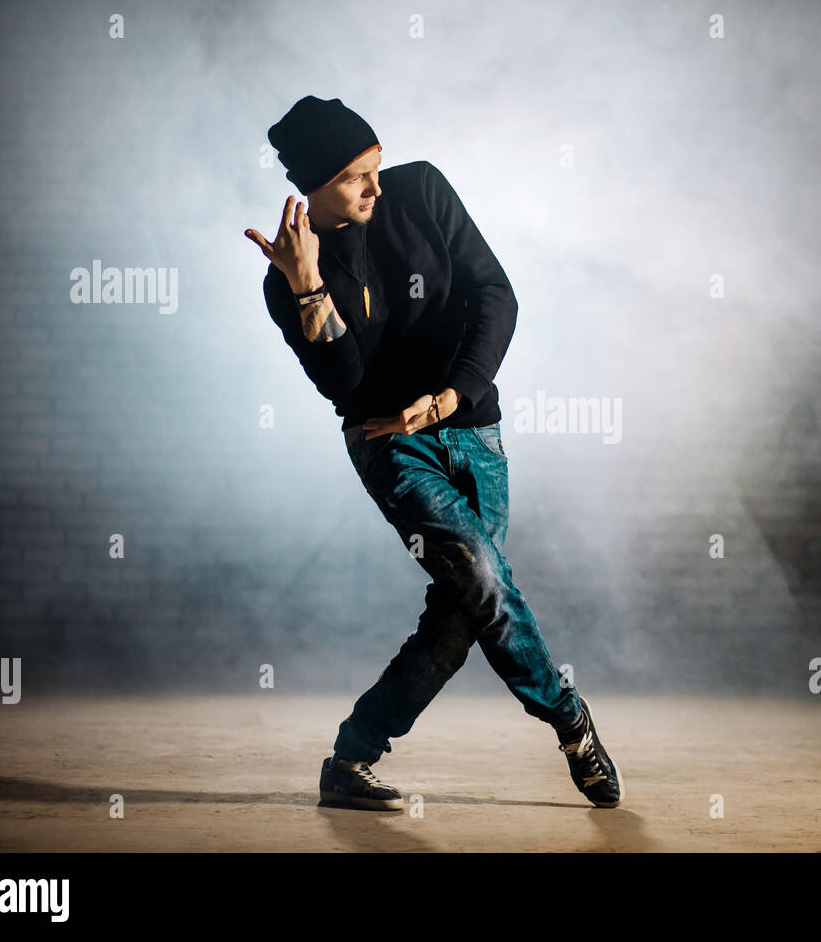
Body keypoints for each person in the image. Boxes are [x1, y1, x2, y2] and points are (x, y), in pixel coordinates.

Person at [244, 96, 623, 811]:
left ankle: (351, 760)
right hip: (389, 444)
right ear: (314, 186)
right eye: (357, 177)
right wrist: (307, 287)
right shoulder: (287, 278)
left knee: (461, 613)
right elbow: (346, 383)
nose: (376, 188)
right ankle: (570, 719)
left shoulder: (421, 190)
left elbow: (496, 294)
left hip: (473, 425)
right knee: (479, 577)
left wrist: (451, 395)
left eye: (377, 168)